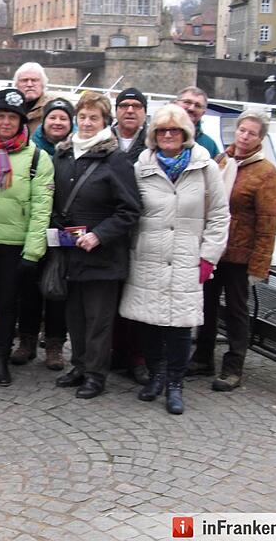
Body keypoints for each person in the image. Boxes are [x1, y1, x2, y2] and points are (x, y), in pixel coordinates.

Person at [120, 104, 229, 414]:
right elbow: (130, 209)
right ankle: (156, 375)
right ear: (154, 135)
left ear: (185, 133)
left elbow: (220, 214)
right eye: (162, 130)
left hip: (186, 256)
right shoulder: (142, 166)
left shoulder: (205, 167)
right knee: (150, 322)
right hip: (149, 254)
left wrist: (208, 255)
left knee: (180, 325)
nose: (168, 135)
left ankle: (175, 384)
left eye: (175, 130)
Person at [52, 91, 141, 399]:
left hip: (103, 254)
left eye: (94, 118)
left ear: (105, 121)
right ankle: (79, 365)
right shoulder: (64, 155)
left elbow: (130, 209)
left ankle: (95, 374)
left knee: (98, 320)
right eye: (83, 117)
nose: (87, 123)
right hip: (71, 250)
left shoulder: (115, 159)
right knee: (75, 316)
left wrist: (100, 235)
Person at [190, 110, 276, 391]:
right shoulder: (222, 160)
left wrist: (259, 265)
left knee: (236, 311)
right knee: (206, 304)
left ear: (260, 138)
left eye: (251, 133)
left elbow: (268, 222)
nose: (244, 137)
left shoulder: (266, 173)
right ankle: (202, 357)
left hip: (241, 254)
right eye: (242, 130)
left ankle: (233, 367)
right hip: (215, 248)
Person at [0, 88, 53, 386]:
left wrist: (32, 252)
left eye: (13, 118)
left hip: (13, 244)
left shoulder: (38, 158)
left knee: (7, 305)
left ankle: (1, 359)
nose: (6, 123)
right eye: (1, 116)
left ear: (21, 122)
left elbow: (41, 209)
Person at [15, 97, 75, 370]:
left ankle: (54, 345)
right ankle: (26, 341)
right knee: (28, 288)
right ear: (44, 120)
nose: (58, 122)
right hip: (30, 227)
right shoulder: (30, 147)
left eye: (63, 118)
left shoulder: (77, 150)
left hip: (62, 231)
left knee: (57, 290)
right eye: (53, 117)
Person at [109, 87, 151, 384]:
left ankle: (138, 357)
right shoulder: (104, 140)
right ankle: (114, 352)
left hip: (141, 232)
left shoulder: (152, 143)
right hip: (108, 231)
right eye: (124, 105)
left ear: (145, 112)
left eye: (137, 106)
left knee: (137, 297)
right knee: (109, 299)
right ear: (116, 111)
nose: (130, 110)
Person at [176, 86, 219, 158]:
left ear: (203, 113)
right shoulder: (160, 135)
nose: (191, 108)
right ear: (175, 104)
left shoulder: (209, 145)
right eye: (187, 102)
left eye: (198, 106)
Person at [13, 62, 56, 135]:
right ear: (16, 84)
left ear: (43, 84)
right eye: (24, 80)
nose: (29, 84)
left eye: (34, 80)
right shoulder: (8, 106)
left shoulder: (53, 107)